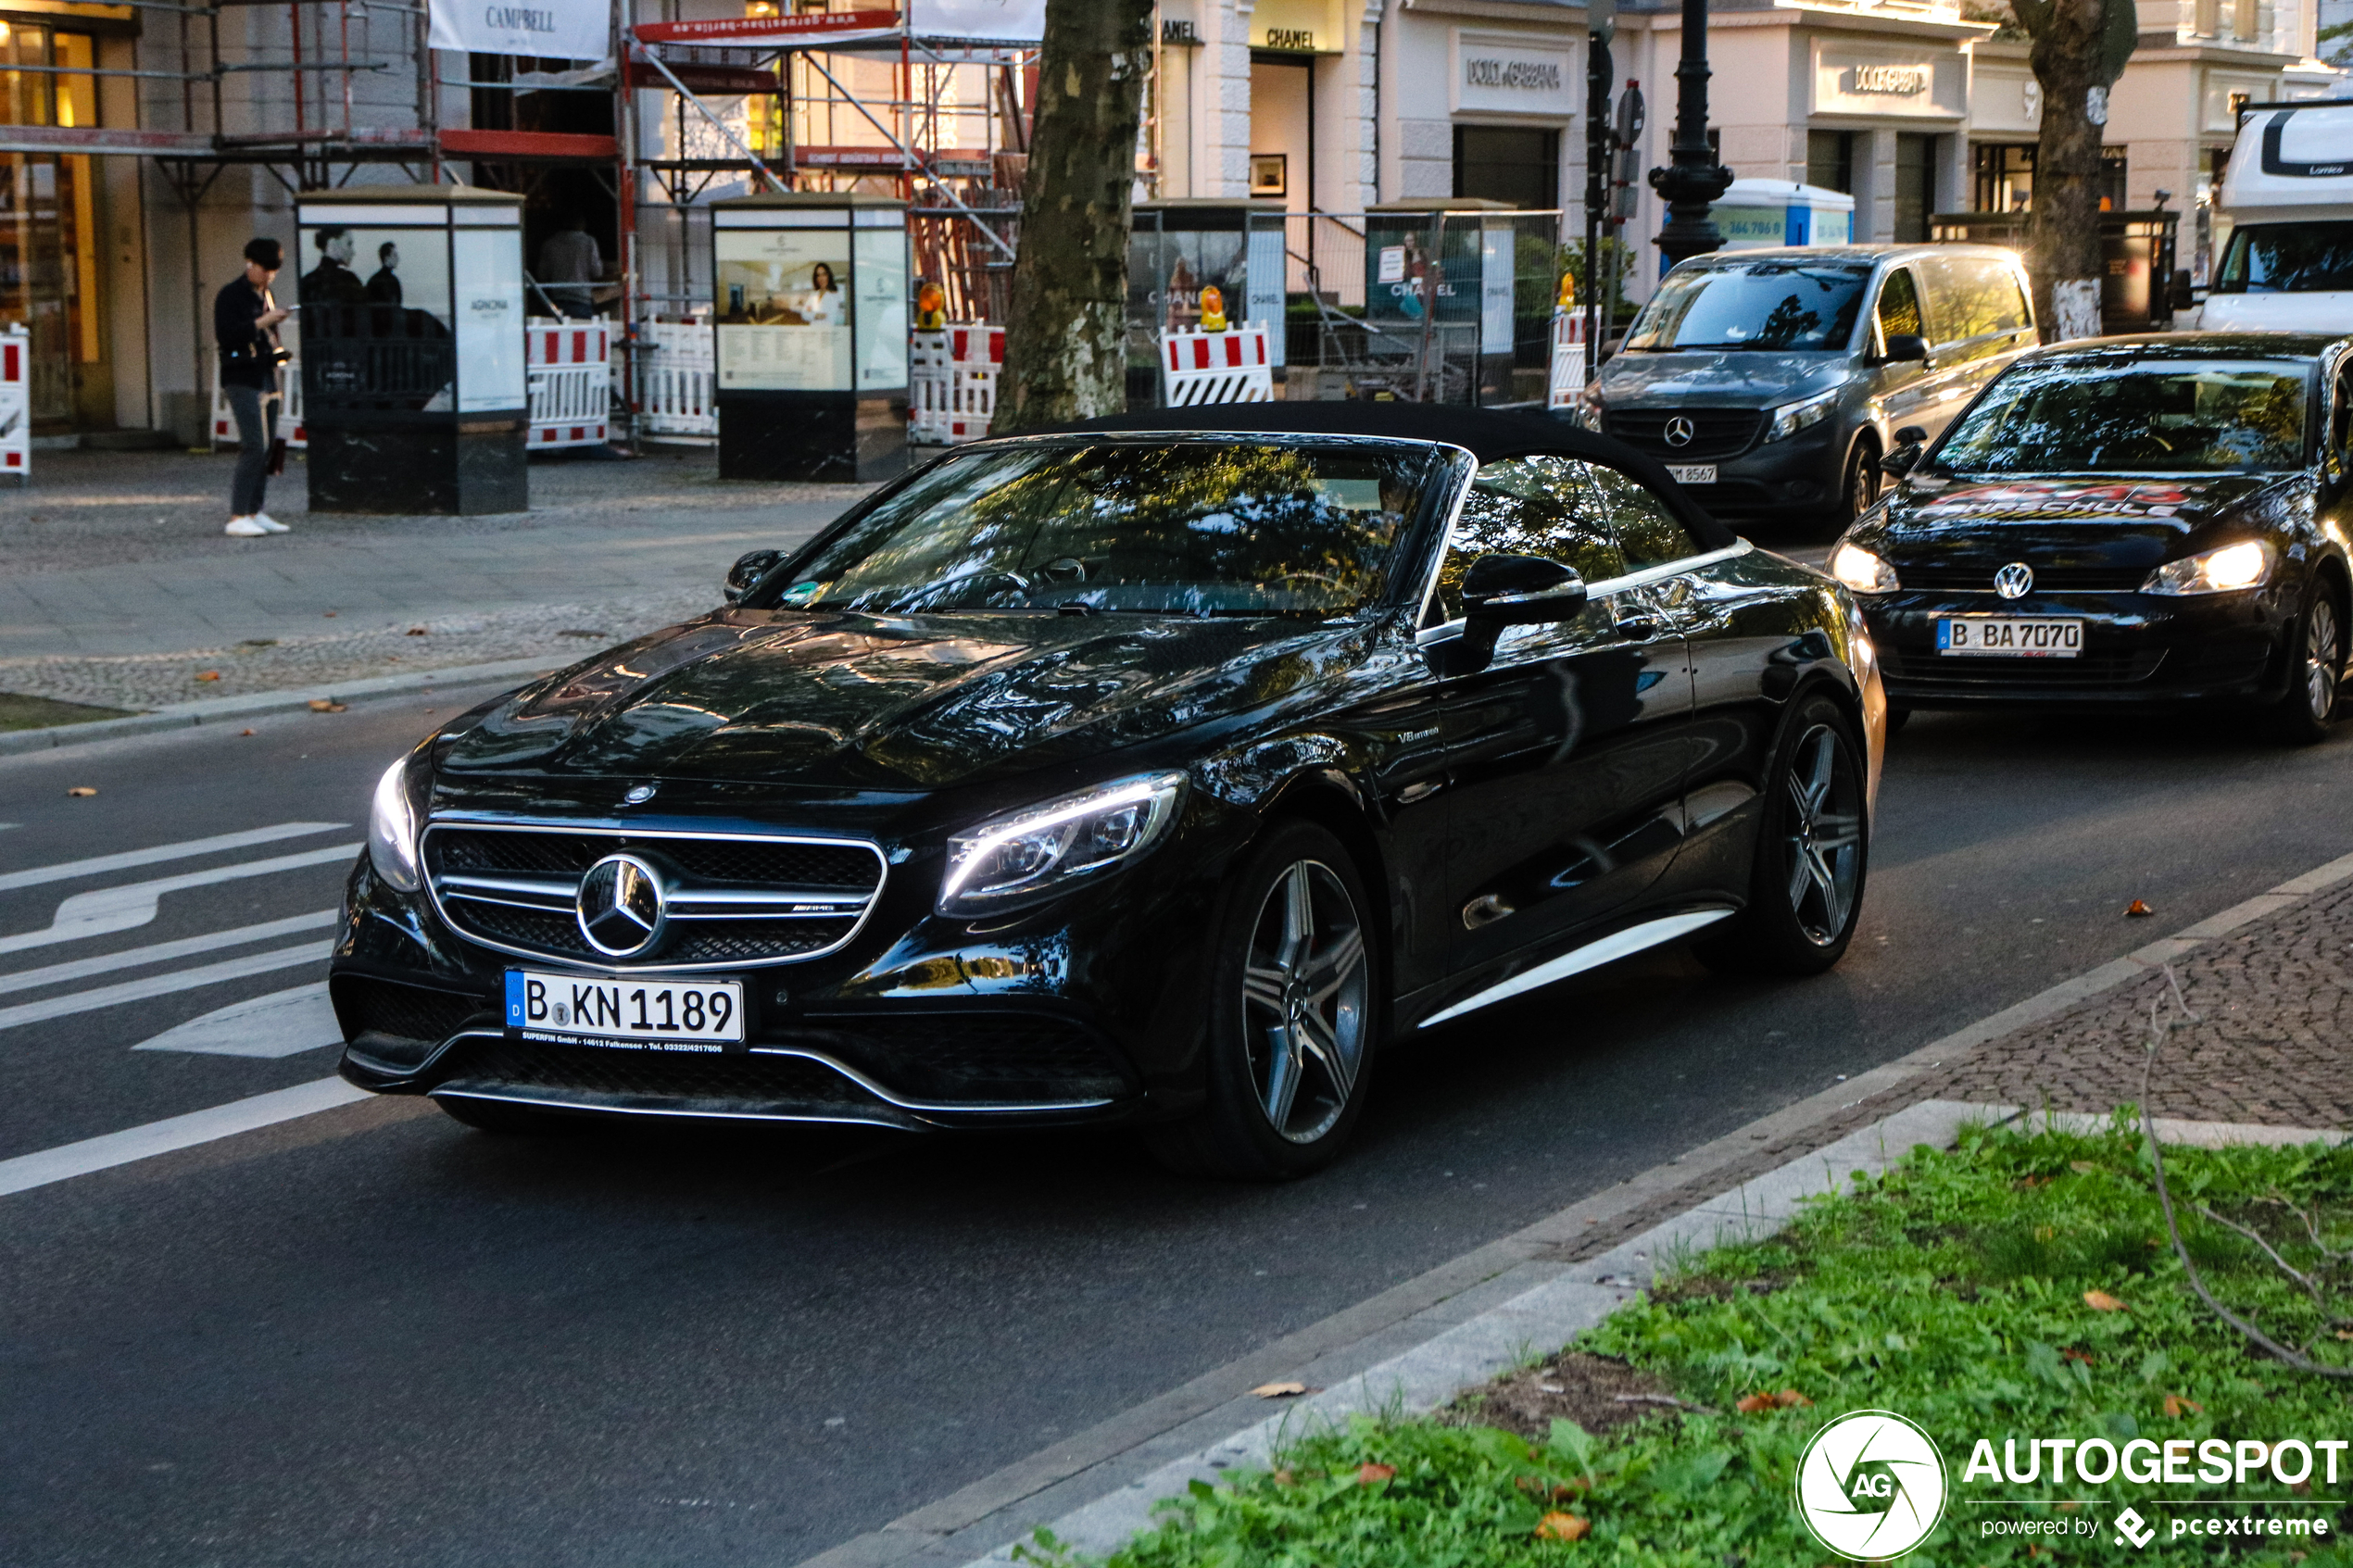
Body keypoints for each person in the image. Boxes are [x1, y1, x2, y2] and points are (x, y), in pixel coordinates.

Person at [216, 236, 291, 537]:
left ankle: (254, 510)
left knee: (268, 445)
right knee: (253, 444)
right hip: (241, 376)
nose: (269, 275)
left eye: (274, 270)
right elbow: (227, 336)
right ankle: (237, 515)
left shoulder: (266, 294)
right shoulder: (231, 295)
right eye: (265, 269)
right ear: (250, 264)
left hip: (265, 373)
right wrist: (263, 322)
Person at [537, 212, 601, 319]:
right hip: (581, 300)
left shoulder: (550, 243)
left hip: (557, 301)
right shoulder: (589, 242)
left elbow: (542, 275)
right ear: (582, 224)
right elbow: (597, 272)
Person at [301, 227, 366, 307]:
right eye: (349, 244)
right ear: (333, 244)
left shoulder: (306, 282)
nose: (353, 252)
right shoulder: (349, 280)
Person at [364, 241, 402, 306]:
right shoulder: (393, 281)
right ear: (387, 258)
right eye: (394, 255)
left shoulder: (374, 279)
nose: (398, 258)